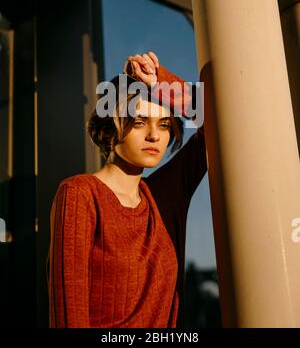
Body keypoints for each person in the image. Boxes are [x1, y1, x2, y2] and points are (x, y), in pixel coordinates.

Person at [46, 51, 207, 328]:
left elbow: (221, 118)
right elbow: (68, 311)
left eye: (164, 124)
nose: (154, 136)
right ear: (109, 130)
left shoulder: (165, 195)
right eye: (140, 121)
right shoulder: (80, 194)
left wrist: (159, 82)